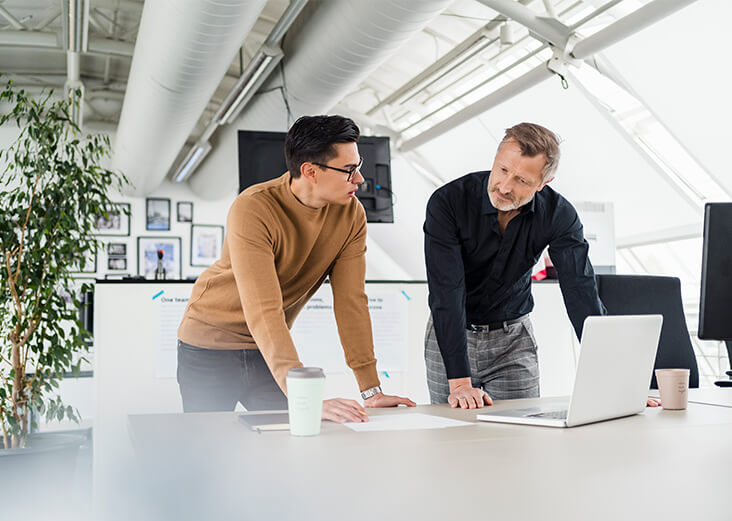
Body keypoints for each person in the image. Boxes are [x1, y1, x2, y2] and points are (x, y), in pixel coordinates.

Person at [177, 115, 415, 422]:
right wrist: (305, 394)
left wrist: (371, 389)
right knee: (205, 450)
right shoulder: (254, 207)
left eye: (359, 166)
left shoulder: (351, 215)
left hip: (267, 351)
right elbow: (264, 308)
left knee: (293, 443)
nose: (360, 179)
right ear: (310, 171)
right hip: (208, 345)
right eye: (349, 170)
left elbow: (350, 302)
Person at [424, 122, 661, 410]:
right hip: (449, 336)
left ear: (542, 184)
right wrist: (460, 383)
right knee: (451, 438)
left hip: (512, 343)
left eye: (522, 181)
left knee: (519, 439)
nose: (505, 187)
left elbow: (581, 293)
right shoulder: (448, 202)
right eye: (502, 170)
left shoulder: (559, 215)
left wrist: (618, 383)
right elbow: (447, 291)